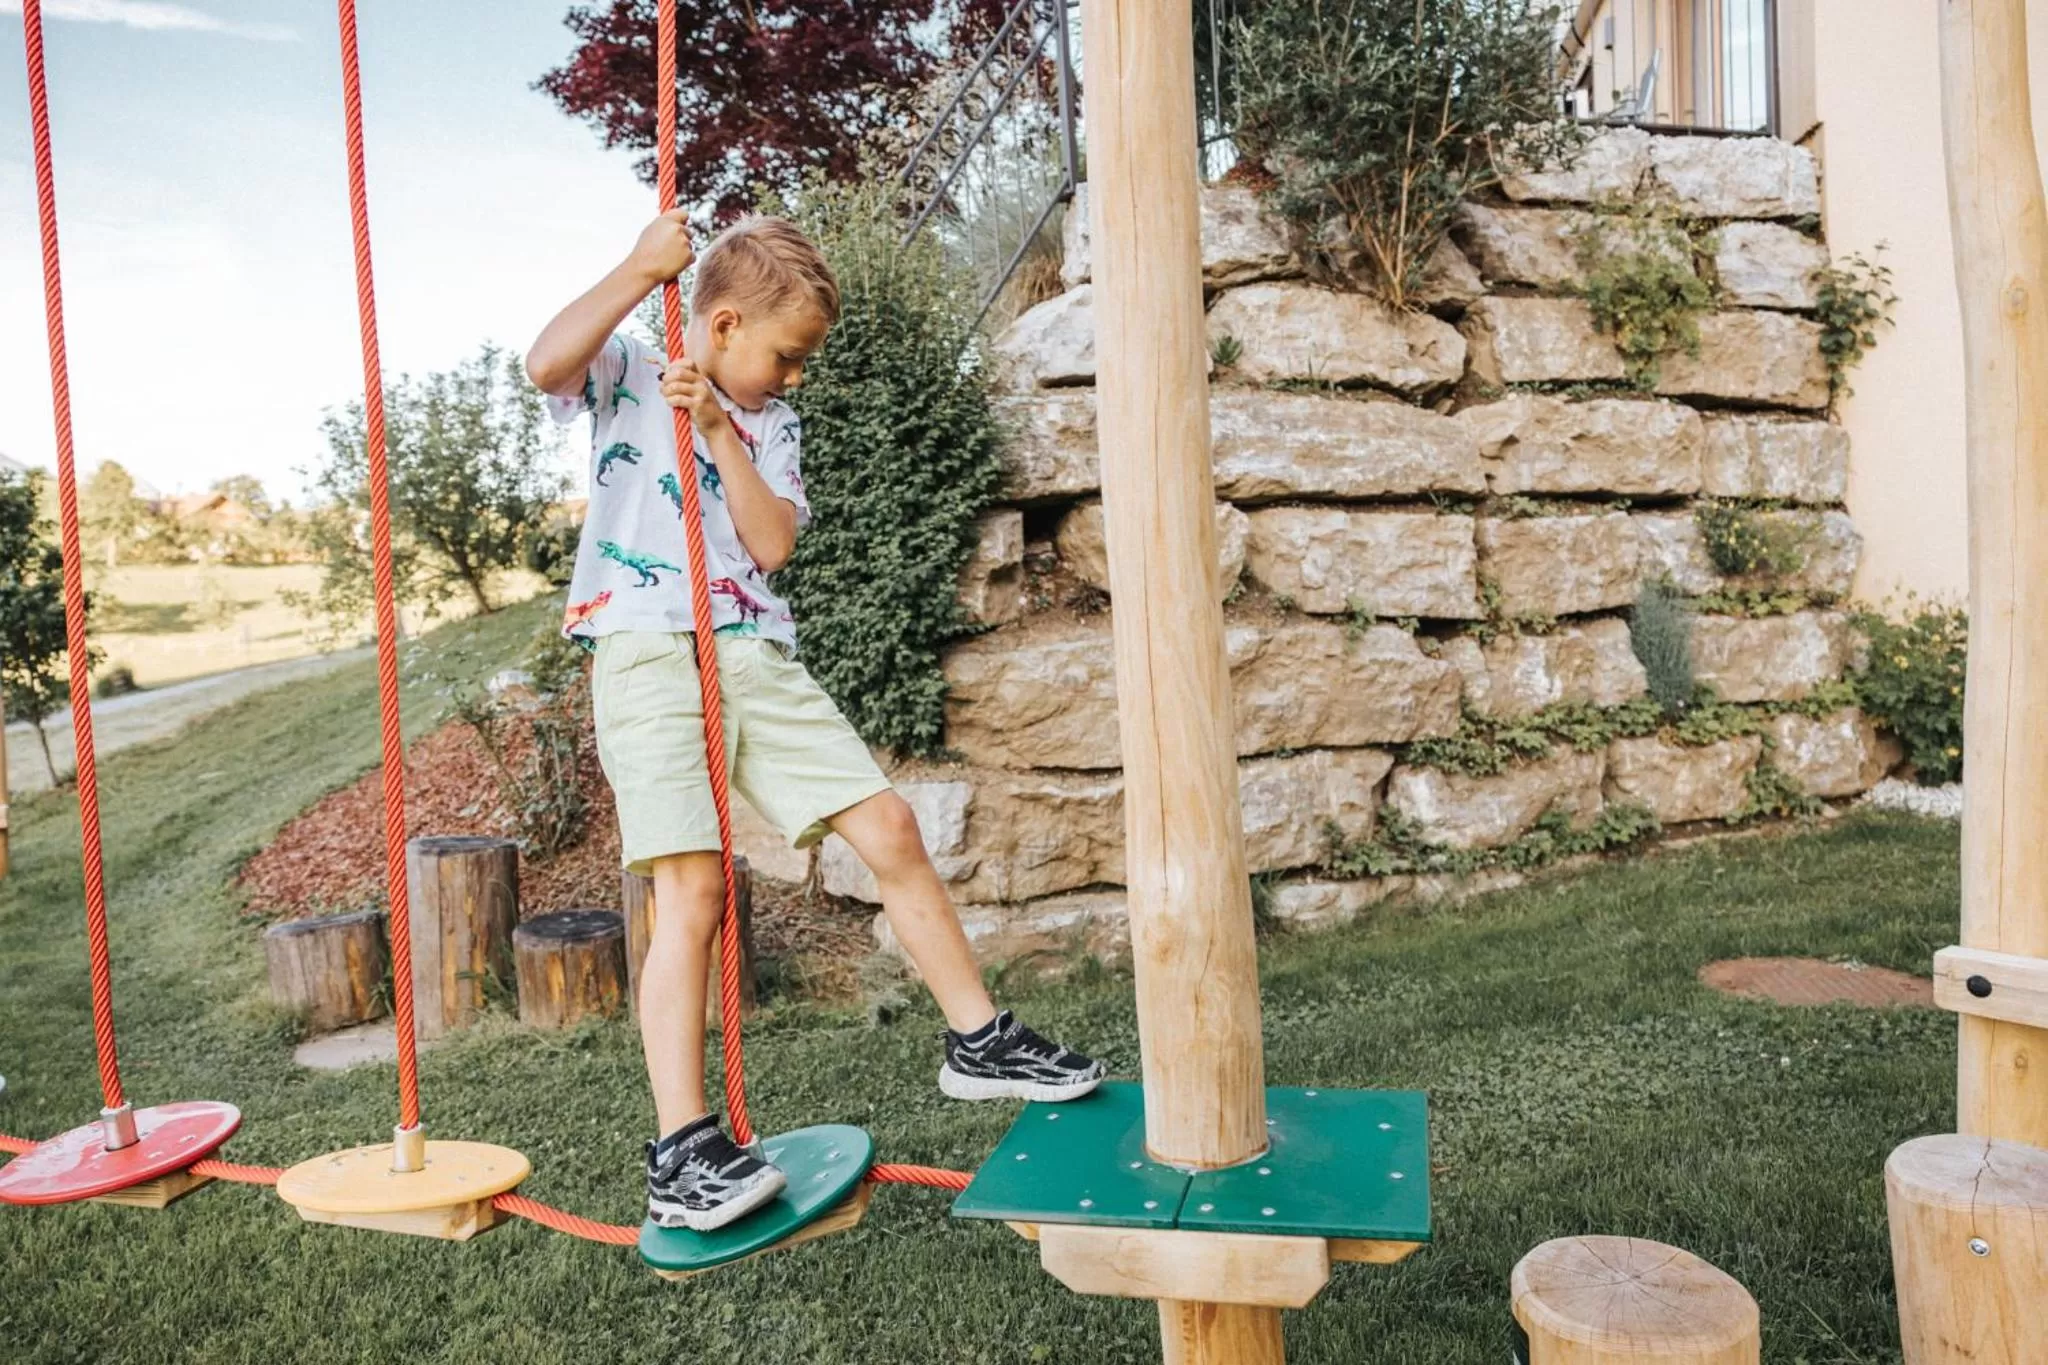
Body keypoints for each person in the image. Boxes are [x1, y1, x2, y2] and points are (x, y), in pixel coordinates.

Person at [526, 211, 1105, 1233]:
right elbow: (545, 362)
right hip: (646, 648)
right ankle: (680, 1148)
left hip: (752, 651)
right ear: (723, 322)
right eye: (784, 356)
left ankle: (977, 1038)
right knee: (691, 888)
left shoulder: (768, 424)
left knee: (889, 828)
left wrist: (716, 429)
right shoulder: (627, 373)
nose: (793, 378)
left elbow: (773, 543)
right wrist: (637, 267)